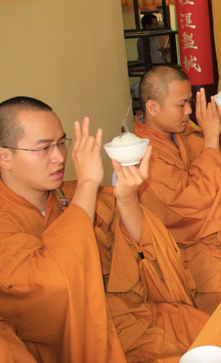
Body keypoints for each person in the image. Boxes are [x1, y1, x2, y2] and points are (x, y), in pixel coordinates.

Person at [0, 97, 209, 361]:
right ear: (4, 157)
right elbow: (52, 284)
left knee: (214, 332)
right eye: (44, 148)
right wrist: (88, 183)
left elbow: (145, 247)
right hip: (79, 343)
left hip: (125, 316)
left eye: (61, 143)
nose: (59, 157)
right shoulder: (8, 220)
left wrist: (127, 198)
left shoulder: (69, 195)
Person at [134, 66, 221, 314]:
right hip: (189, 250)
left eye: (190, 102)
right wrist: (211, 139)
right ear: (153, 107)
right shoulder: (144, 155)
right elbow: (195, 201)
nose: (189, 111)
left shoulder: (182, 134)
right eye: (181, 104)